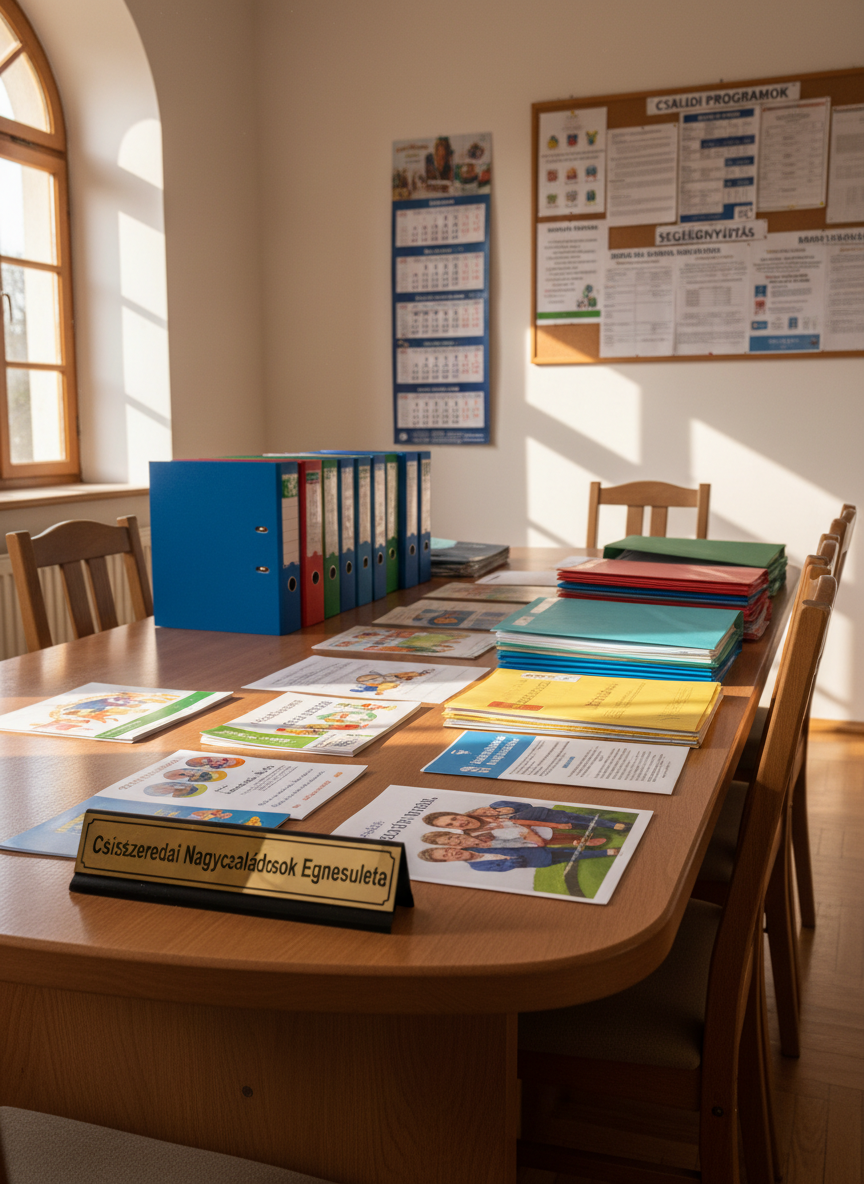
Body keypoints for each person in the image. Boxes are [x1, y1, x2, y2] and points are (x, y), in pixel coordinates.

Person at [417, 845, 619, 872]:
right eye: (446, 856)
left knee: (569, 849)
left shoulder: (475, 843)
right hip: (538, 860)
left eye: (448, 849)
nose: (451, 853)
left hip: (537, 849)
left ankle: (602, 849)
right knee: (573, 857)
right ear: (448, 862)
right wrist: (510, 860)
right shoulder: (477, 867)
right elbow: (503, 868)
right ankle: (606, 853)